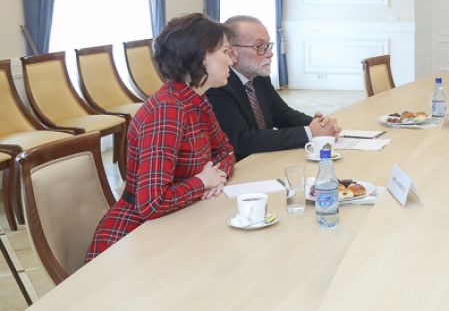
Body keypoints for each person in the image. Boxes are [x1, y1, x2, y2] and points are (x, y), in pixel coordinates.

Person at [86, 13, 236, 261]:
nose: (231, 60)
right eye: (225, 51)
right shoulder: (167, 112)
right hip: (132, 240)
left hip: (177, 223)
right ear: (200, 56)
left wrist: (217, 178)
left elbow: (226, 151)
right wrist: (201, 182)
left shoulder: (195, 101)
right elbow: (151, 204)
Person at [206, 15, 341, 160]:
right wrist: (309, 132)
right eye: (260, 47)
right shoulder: (218, 85)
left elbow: (282, 114)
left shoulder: (259, 77)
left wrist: (318, 125)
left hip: (265, 158)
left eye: (268, 46)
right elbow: (243, 141)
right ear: (232, 52)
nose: (270, 54)